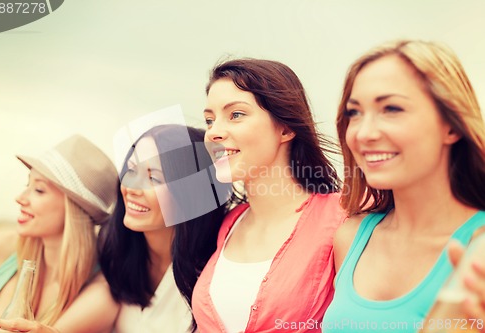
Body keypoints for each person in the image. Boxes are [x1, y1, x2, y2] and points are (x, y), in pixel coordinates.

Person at [322, 40, 485, 332]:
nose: (364, 133)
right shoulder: (350, 238)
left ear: (450, 125)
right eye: (354, 113)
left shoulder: (480, 246)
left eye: (392, 108)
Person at [192, 58, 345, 332]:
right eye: (209, 120)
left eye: (236, 114)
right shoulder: (229, 224)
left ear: (285, 128)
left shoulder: (341, 218)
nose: (213, 132)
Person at [97, 124, 229, 332]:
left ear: (191, 193)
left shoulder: (214, 282)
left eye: (154, 178)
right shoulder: (118, 254)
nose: (132, 187)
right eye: (131, 170)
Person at [0, 134, 120, 333]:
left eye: (39, 190)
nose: (20, 198)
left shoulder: (100, 295)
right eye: (27, 185)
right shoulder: (6, 247)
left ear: (74, 209)